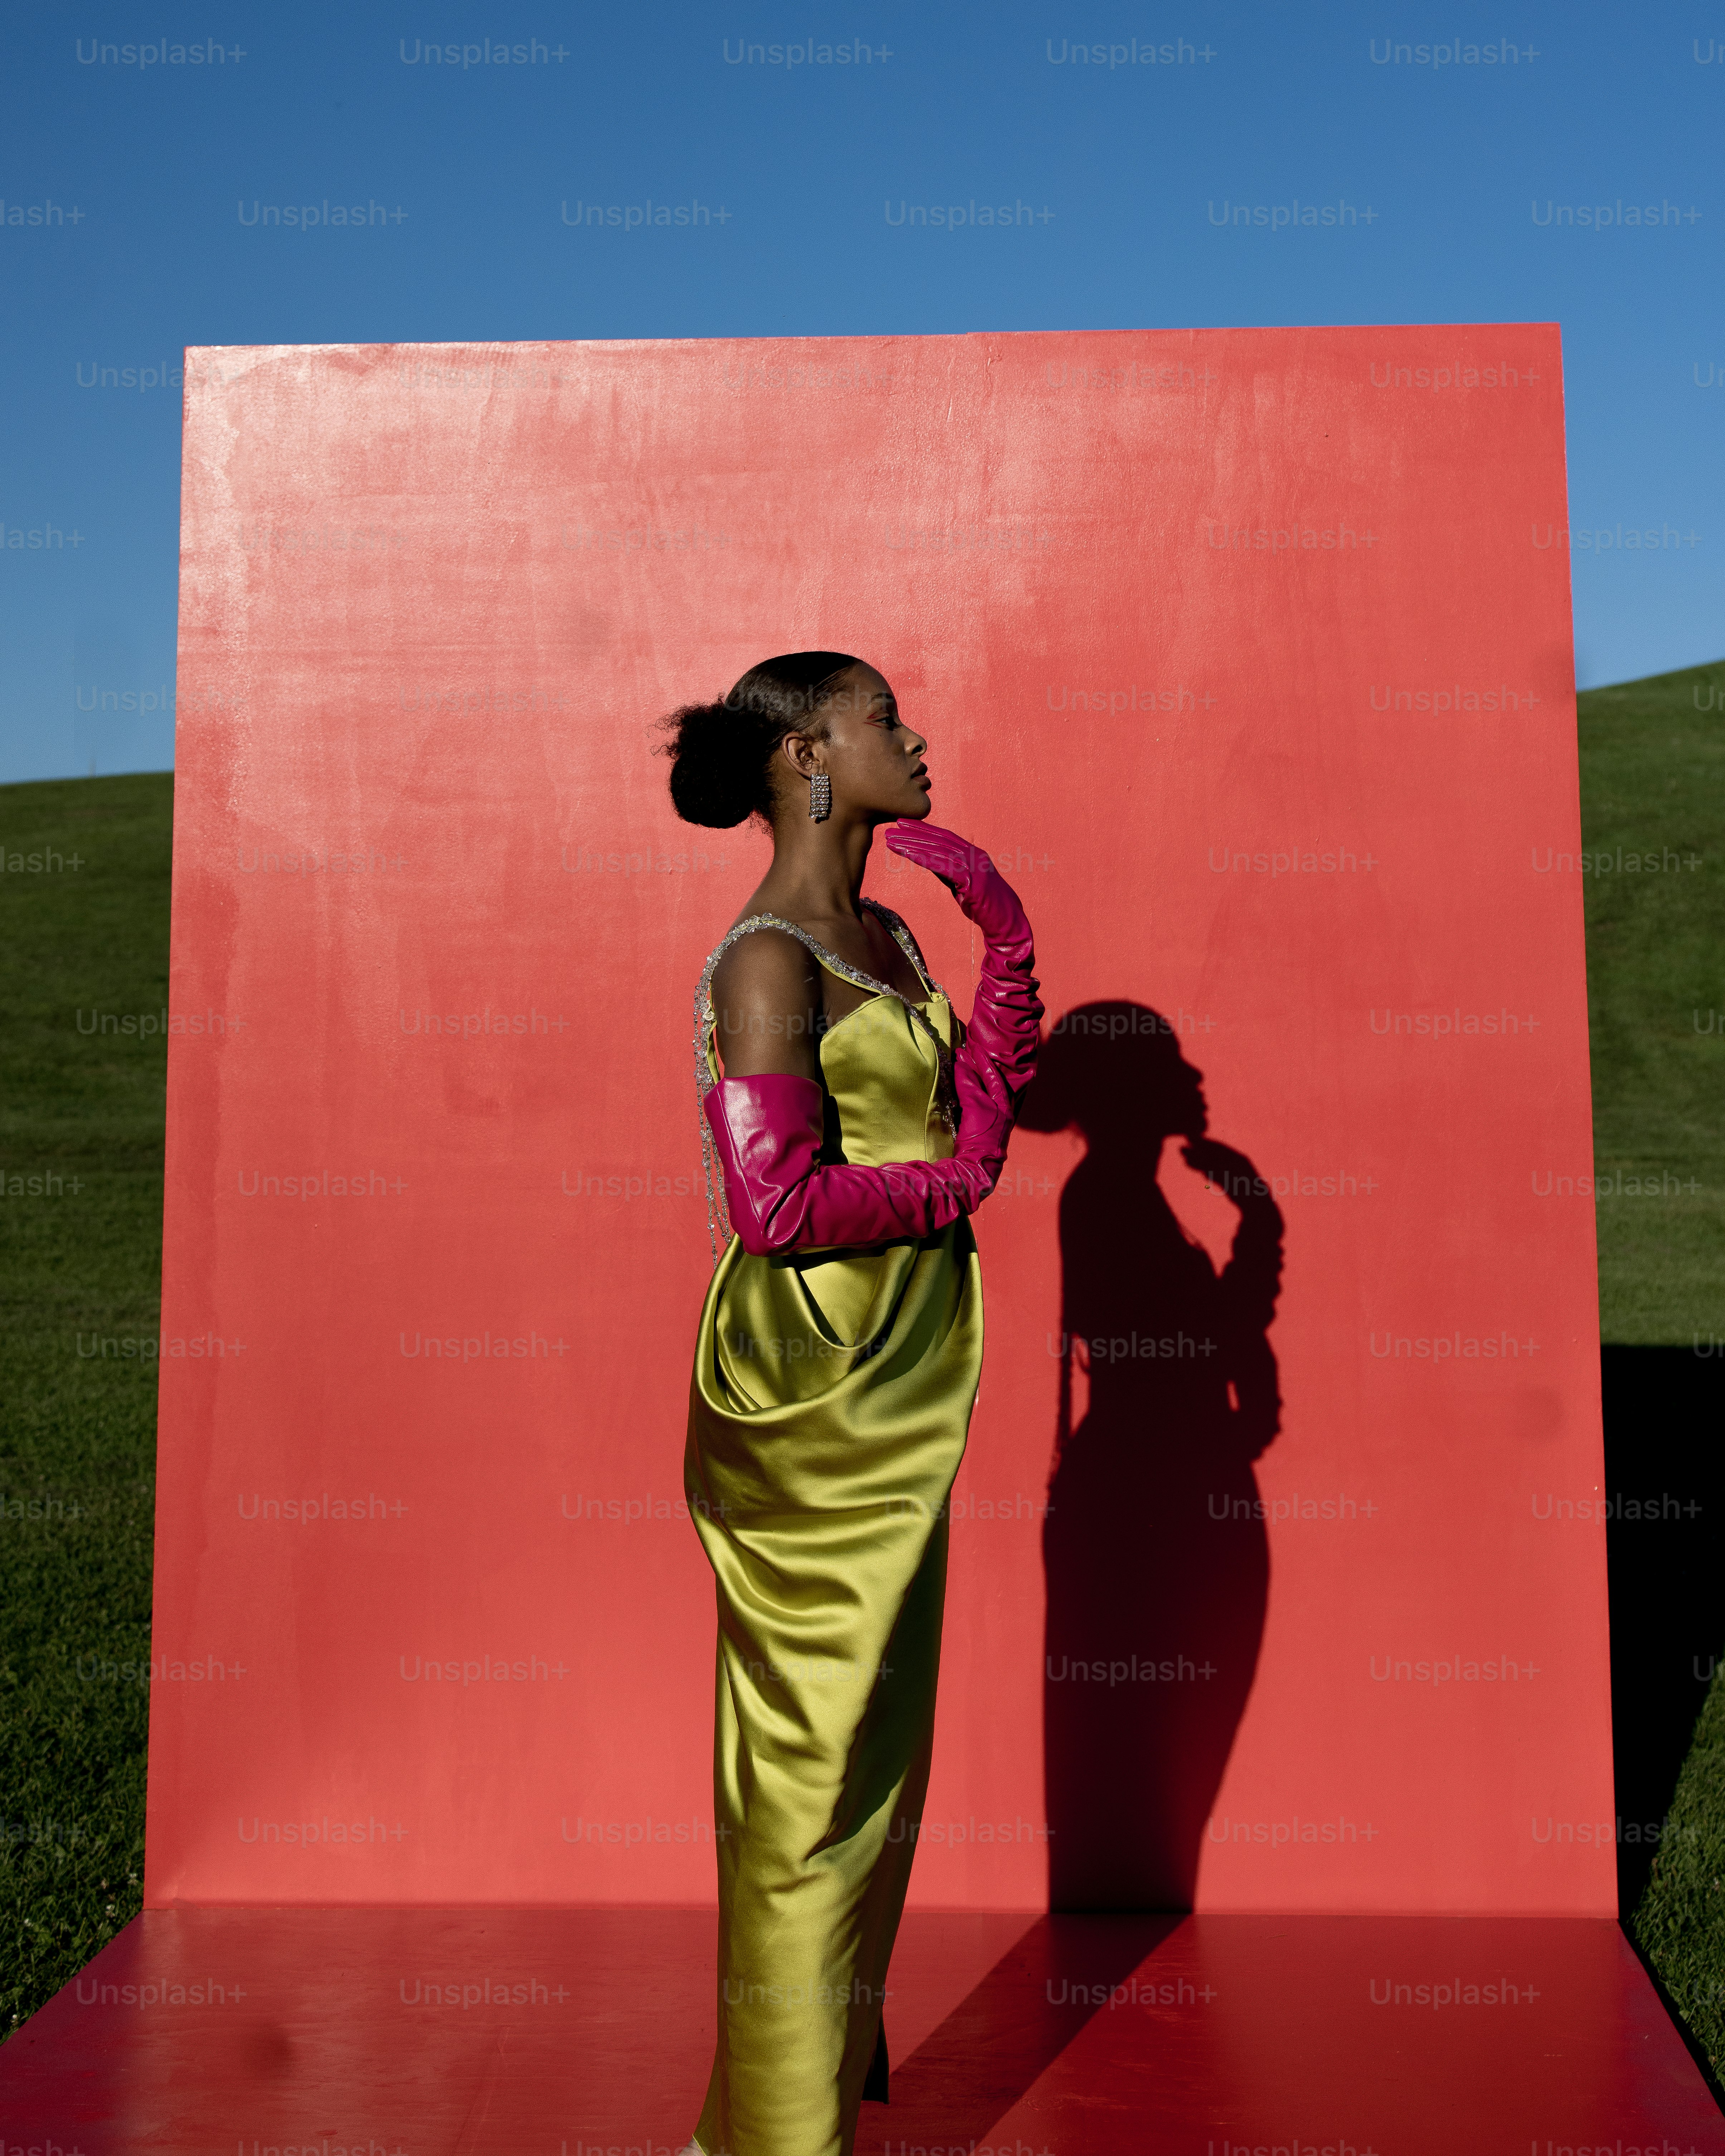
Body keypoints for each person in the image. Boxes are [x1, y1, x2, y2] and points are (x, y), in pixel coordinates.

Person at [658, 651, 1042, 2156]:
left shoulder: (884, 931)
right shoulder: (769, 960)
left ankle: (772, 2110)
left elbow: (977, 1099)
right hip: (810, 1393)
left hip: (905, 1375)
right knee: (807, 1786)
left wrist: (1000, 941)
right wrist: (951, 1186)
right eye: (887, 717)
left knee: (877, 1767)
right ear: (812, 748)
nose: (918, 734)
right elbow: (774, 1203)